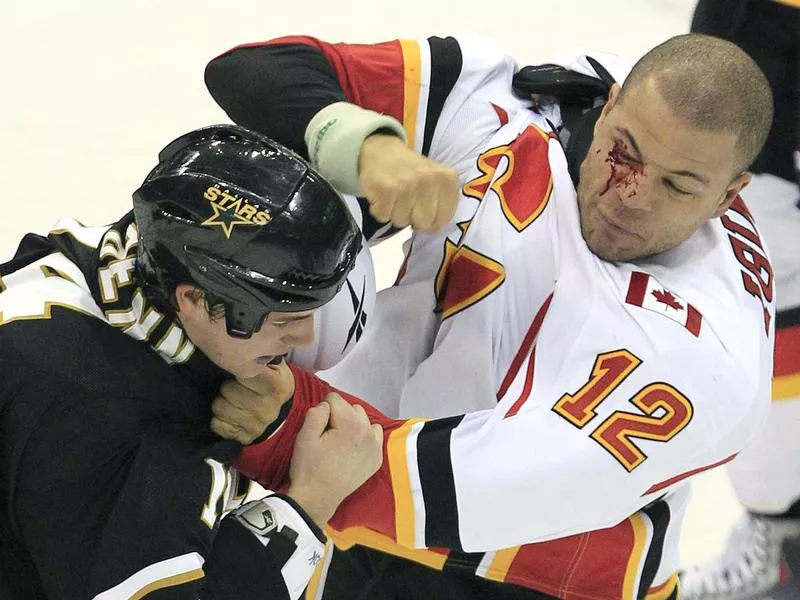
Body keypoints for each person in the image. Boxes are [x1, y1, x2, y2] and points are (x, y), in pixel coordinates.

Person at [202, 33, 776, 599]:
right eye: (624, 151)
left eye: (677, 187)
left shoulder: (710, 361)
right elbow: (253, 69)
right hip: (356, 485)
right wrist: (369, 149)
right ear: (611, 103)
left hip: (537, 573)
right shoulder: (528, 105)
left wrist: (284, 424)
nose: (630, 194)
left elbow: (466, 495)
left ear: (729, 197)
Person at [0, 124, 384, 599]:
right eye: (286, 320)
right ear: (195, 302)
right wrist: (309, 502)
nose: (303, 340)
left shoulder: (114, 256)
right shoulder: (106, 420)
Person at [676, 1, 800, 598]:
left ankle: (781, 537)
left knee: (770, 290)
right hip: (758, 33)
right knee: (757, 282)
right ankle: (780, 533)